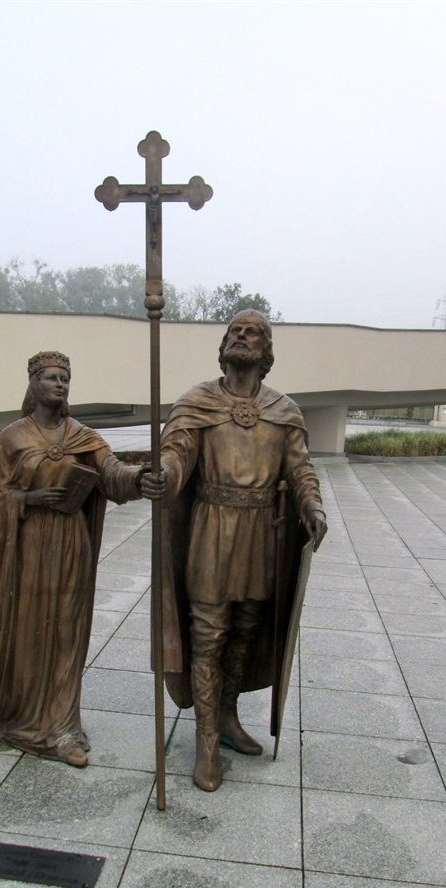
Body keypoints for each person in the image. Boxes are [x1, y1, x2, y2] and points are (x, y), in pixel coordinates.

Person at [146, 310, 327, 791]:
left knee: (245, 632)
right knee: (208, 635)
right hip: (211, 529)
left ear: (266, 352)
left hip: (260, 534)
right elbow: (176, 453)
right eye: (235, 331)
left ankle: (227, 715)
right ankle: (205, 738)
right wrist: (164, 475)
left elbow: (300, 469)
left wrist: (312, 506)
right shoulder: (197, 402)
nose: (242, 337)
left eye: (253, 333)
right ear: (223, 346)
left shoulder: (284, 411)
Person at [0, 350, 163, 766]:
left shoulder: (82, 436)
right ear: (34, 383)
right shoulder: (13, 438)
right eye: (52, 378)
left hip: (72, 546)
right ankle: (20, 714)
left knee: (66, 633)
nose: (60, 384)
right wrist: (30, 498)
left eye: (65, 379)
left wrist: (139, 477)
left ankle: (63, 727)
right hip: (29, 549)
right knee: (30, 631)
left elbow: (112, 473)